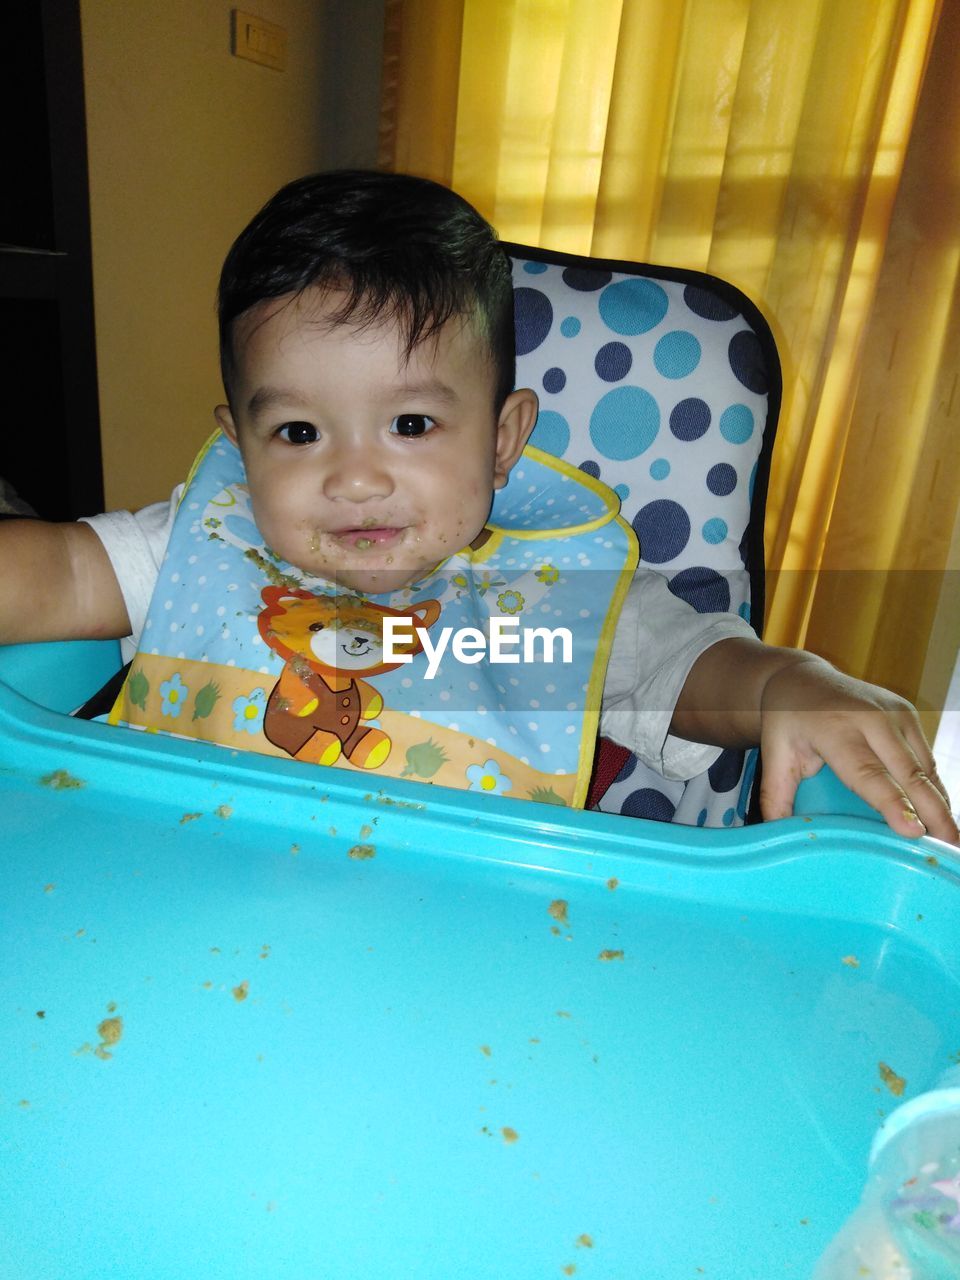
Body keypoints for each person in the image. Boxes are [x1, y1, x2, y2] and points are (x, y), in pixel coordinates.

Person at [0, 170, 955, 841]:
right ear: (241, 445)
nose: (356, 477)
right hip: (171, 916)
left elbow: (696, 669)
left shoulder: (551, 599)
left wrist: (789, 682)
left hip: (463, 976)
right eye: (298, 434)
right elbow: (62, 573)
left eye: (411, 424)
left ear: (502, 440)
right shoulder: (206, 545)